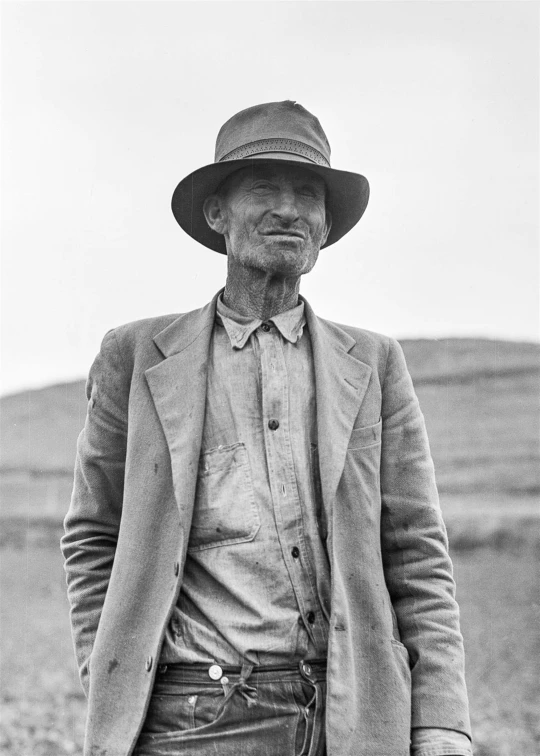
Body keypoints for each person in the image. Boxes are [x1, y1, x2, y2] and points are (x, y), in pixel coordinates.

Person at [62, 100, 472, 756]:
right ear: (217, 214)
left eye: (308, 194)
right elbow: (92, 537)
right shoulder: (136, 357)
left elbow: (417, 549)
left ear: (326, 224)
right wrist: (110, 673)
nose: (289, 209)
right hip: (191, 719)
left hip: (351, 720)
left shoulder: (372, 364)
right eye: (264, 189)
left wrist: (442, 717)